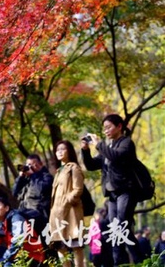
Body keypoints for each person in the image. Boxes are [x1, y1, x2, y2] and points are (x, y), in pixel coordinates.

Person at [81, 114, 143, 265]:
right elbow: (91, 165)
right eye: (104, 129)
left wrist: (99, 144)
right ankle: (120, 263)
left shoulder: (126, 143)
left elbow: (115, 157)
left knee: (121, 225)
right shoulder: (107, 148)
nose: (106, 131)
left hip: (126, 191)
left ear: (119, 126)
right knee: (116, 229)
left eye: (109, 127)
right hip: (113, 196)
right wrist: (85, 150)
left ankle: (141, 261)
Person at [48, 140, 85, 267]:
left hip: (71, 212)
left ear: (69, 151)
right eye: (57, 150)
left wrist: (67, 200)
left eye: (63, 149)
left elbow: (78, 189)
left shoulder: (73, 168)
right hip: (57, 214)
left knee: (76, 245)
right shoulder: (58, 171)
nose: (59, 152)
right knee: (60, 247)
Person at [0, 197, 45, 266]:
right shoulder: (3, 225)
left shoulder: (17, 218)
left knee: (7, 265)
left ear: (7, 208)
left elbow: (19, 239)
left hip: (32, 256)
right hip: (18, 256)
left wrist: (5, 257)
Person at [12, 154, 53, 236]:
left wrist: (34, 175)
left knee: (45, 244)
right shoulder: (27, 179)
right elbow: (14, 192)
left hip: (41, 217)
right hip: (26, 216)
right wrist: (20, 178)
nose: (30, 167)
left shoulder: (47, 177)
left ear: (40, 164)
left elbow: (40, 190)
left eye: (32, 164)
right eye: (28, 165)